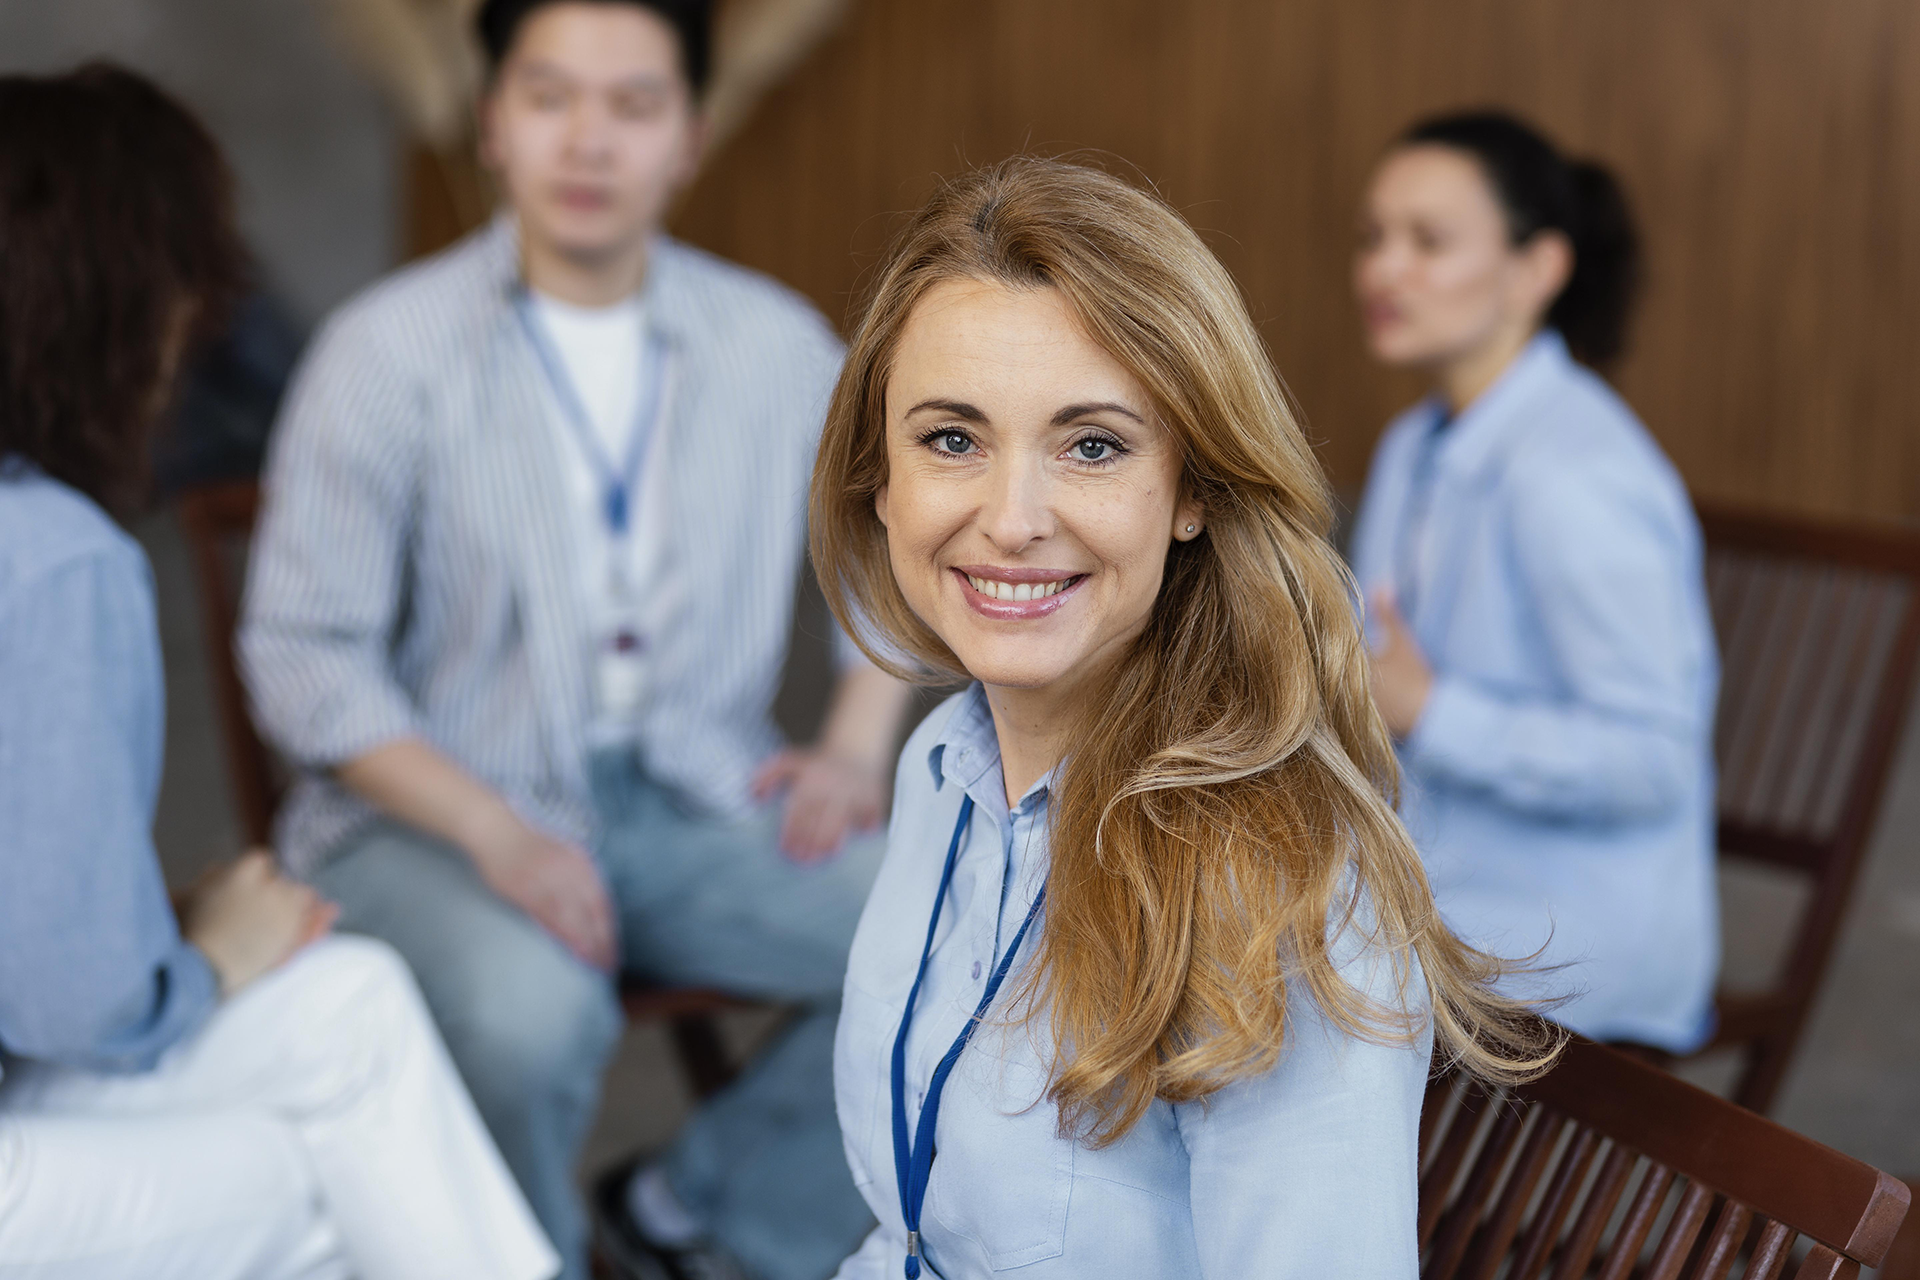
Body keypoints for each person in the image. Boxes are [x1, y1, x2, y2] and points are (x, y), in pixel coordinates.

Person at [240, 2, 912, 1276]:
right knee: (529, 1012)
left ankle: (695, 1217)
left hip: (693, 793)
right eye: (550, 98)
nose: (588, 140)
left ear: (691, 140)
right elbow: (303, 653)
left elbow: (886, 551)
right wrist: (496, 831)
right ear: (494, 124)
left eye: (634, 105)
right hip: (440, 815)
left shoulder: (771, 345)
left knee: (965, 936)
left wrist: (855, 745)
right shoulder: (386, 349)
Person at [809, 157, 1554, 1279]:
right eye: (952, 439)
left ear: (1195, 490)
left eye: (1093, 445)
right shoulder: (941, 767)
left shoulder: (1281, 891)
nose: (1011, 520)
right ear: (880, 481)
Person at [0, 64, 556, 1280]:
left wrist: (156, 946)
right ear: (124, 302)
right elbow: (70, 1004)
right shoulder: (47, 556)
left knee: (348, 1004)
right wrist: (202, 960)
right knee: (334, 1175)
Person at [1347, 111, 1720, 1052]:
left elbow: (1654, 759)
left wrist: (1431, 712)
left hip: (1574, 929)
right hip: (1446, 882)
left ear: (1537, 269)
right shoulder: (1412, 443)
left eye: (1427, 241)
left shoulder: (1578, 472)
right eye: (1374, 237)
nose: (1383, 269)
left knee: (1265, 968)